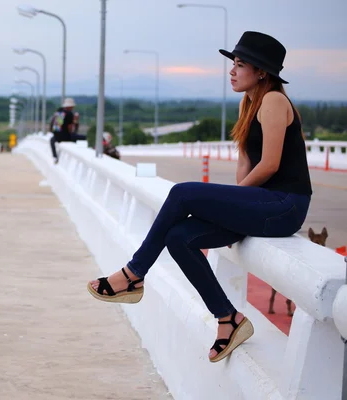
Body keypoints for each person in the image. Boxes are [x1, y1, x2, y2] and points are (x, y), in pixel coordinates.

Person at [87, 31, 312, 363]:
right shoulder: (248, 103)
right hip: (262, 204)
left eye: (239, 64)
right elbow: (246, 162)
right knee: (180, 237)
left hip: (285, 205)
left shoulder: (274, 101)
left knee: (182, 193)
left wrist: (232, 203)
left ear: (261, 71)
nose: (231, 71)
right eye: (232, 64)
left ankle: (133, 274)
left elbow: (270, 165)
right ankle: (229, 319)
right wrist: (232, 205)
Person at [50, 98, 77, 163]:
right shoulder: (69, 114)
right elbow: (70, 128)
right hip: (65, 137)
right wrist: (75, 122)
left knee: (51, 140)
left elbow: (55, 126)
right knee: (83, 138)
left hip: (56, 136)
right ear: (70, 106)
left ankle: (55, 156)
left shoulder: (59, 112)